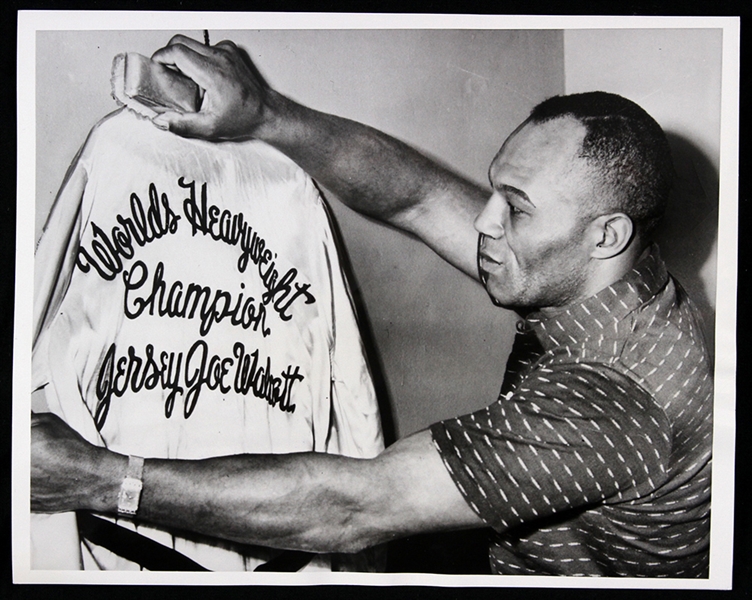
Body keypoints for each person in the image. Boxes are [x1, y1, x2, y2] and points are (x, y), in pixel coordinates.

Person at [31, 35, 712, 577]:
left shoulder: (613, 403)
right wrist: (267, 115)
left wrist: (100, 480)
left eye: (517, 207)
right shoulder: (604, 271)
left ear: (606, 235)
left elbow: (354, 507)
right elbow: (414, 196)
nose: (484, 222)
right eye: (495, 190)